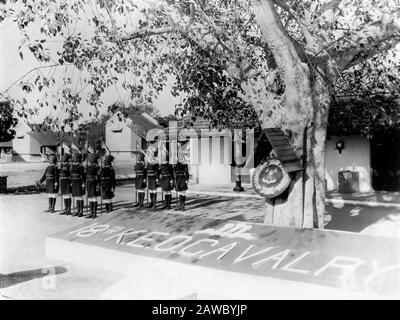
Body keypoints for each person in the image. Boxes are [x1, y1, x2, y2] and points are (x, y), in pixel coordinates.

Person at [86, 153, 100, 219]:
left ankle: (94, 213)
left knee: (94, 198)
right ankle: (91, 212)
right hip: (89, 183)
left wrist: (98, 184)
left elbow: (98, 176)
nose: (90, 159)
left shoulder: (96, 167)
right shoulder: (89, 166)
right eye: (90, 158)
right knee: (90, 197)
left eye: (91, 158)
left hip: (94, 183)